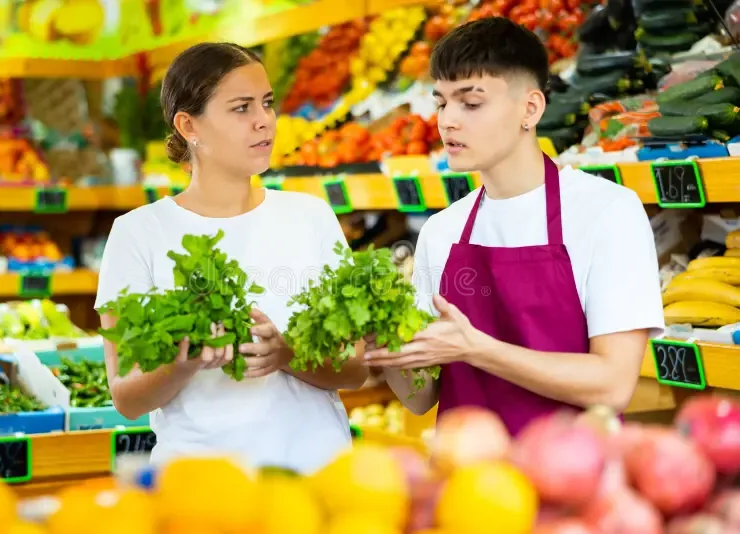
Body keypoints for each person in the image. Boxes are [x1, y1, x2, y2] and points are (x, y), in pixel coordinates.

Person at [365, 17, 664, 435]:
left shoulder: (606, 213)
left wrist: (478, 350)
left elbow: (612, 385)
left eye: (470, 103)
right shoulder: (443, 230)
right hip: (469, 484)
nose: (448, 121)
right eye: (441, 103)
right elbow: (421, 399)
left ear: (531, 108)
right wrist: (385, 348)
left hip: (572, 477)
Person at [95, 42, 368, 471]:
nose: (264, 122)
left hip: (317, 477)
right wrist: (183, 364)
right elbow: (126, 397)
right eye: (241, 108)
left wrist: (288, 354)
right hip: (201, 484)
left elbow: (355, 368)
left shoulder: (309, 216)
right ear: (189, 125)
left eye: (267, 104)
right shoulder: (137, 233)